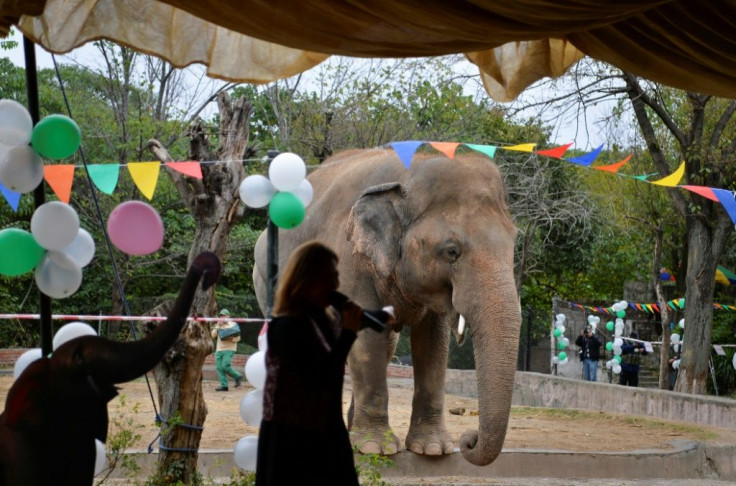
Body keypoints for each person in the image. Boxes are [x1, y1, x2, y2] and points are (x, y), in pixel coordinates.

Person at [256, 240, 387, 486]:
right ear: (306, 280)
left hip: (325, 434)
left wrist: (373, 318)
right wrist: (348, 334)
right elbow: (319, 381)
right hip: (291, 443)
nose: (336, 285)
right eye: (329, 277)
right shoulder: (285, 327)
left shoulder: (319, 321)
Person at [211, 308, 243, 392]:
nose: (222, 317)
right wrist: (218, 325)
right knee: (219, 368)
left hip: (229, 349)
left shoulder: (233, 324)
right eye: (221, 315)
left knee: (225, 366)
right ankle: (224, 386)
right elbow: (213, 335)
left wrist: (231, 339)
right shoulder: (218, 325)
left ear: (228, 316)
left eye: (224, 315)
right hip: (219, 349)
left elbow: (238, 338)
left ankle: (237, 376)